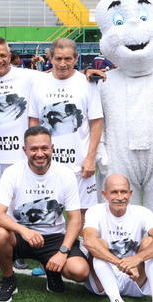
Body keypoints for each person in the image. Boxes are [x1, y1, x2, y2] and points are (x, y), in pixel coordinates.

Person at [0, 126, 89, 302]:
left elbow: (75, 219)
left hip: (54, 237)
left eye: (44, 148)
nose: (40, 154)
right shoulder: (12, 172)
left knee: (80, 271)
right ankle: (8, 279)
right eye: (34, 149)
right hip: (21, 237)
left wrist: (63, 252)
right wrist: (23, 230)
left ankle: (52, 270)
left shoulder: (66, 174)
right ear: (25, 150)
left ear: (52, 148)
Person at [82, 174, 153, 302]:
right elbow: (89, 242)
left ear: (130, 193)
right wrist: (121, 264)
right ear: (104, 194)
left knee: (151, 244)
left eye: (124, 192)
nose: (120, 197)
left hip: (135, 277)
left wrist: (136, 260)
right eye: (114, 192)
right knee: (99, 245)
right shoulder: (95, 211)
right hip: (103, 281)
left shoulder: (143, 212)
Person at [29, 38, 103, 217]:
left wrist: (90, 158)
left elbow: (96, 122)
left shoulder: (87, 83)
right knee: (45, 212)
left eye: (68, 59)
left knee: (83, 213)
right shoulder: (39, 83)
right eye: (58, 58)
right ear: (51, 58)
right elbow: (34, 121)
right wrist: (33, 155)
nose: (63, 64)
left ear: (76, 58)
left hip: (80, 164)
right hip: (46, 163)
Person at [0, 36, 39, 237]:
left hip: (17, 157)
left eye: (3, 55)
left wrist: (86, 73)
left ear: (10, 56)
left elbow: (57, 75)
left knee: (19, 202)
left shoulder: (27, 77)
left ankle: (19, 245)